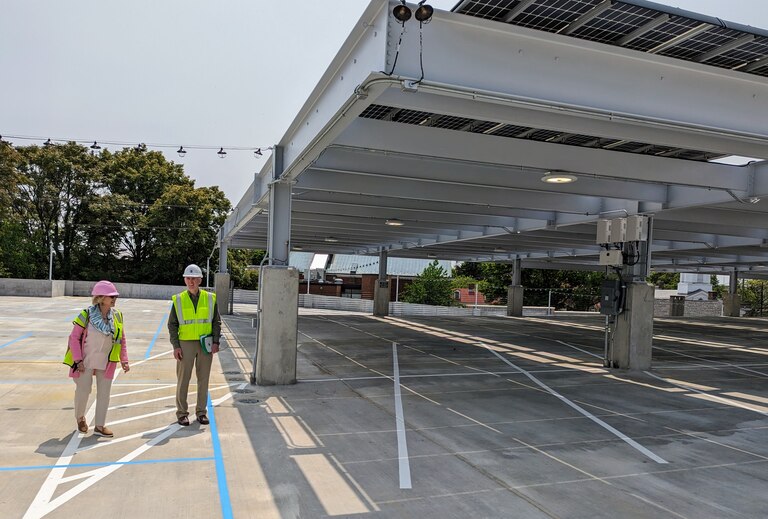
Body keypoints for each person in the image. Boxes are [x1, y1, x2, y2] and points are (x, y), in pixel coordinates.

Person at [63, 280, 129, 437]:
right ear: (100, 297)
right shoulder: (86, 314)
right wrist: (78, 360)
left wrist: (124, 359)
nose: (114, 299)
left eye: (115, 296)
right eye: (110, 296)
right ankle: (80, 418)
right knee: (83, 391)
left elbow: (122, 339)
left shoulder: (117, 316)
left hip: (107, 362)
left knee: (104, 393)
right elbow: (74, 338)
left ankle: (100, 425)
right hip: (85, 361)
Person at [168, 264, 221, 426]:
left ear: (200, 280)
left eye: (194, 278)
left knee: (203, 379)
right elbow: (172, 325)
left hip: (205, 343)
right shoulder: (178, 300)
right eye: (188, 278)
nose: (191, 281)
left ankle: (201, 412)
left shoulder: (210, 298)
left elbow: (216, 322)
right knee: (183, 379)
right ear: (185, 279)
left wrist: (216, 341)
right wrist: (176, 346)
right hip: (185, 344)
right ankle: (182, 413)